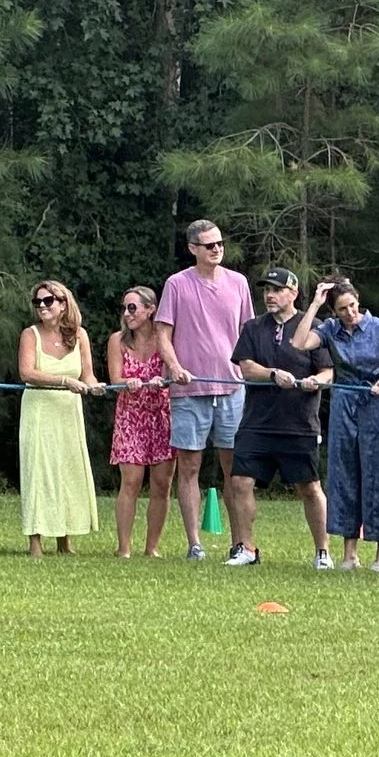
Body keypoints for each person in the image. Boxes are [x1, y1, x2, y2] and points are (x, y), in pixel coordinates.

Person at [156, 220, 252, 561]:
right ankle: (195, 542)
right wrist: (176, 367)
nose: (216, 249)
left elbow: (247, 334)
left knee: (235, 468)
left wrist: (249, 370)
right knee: (190, 466)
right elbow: (163, 334)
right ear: (193, 248)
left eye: (220, 243)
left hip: (231, 389)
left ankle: (241, 542)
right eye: (209, 245)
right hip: (189, 390)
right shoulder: (177, 284)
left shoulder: (238, 283)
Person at [225, 268, 331, 566]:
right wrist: (272, 374)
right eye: (266, 290)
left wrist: (317, 381)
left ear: (293, 293)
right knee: (241, 482)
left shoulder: (313, 327)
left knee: (309, 487)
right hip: (257, 422)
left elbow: (327, 370)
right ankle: (246, 548)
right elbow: (245, 367)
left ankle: (322, 552)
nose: (269, 295)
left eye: (277, 289)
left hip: (299, 423)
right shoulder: (252, 327)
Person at [294, 275, 379, 572]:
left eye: (352, 306)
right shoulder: (330, 330)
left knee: (378, 476)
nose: (350, 313)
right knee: (344, 475)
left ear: (359, 302)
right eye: (342, 309)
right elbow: (299, 343)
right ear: (335, 311)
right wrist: (315, 303)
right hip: (344, 404)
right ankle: (349, 553)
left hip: (376, 403)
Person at [16, 281, 104, 556]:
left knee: (67, 470)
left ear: (64, 303)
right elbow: (27, 373)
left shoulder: (79, 336)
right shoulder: (30, 335)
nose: (42, 306)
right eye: (38, 302)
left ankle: (64, 540)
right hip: (39, 411)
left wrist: (93, 385)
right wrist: (64, 381)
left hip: (68, 412)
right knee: (38, 470)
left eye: (48, 301)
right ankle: (35, 541)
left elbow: (87, 373)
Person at [106, 284, 175, 559]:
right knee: (131, 482)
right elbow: (115, 380)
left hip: (162, 414)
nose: (127, 313)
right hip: (131, 415)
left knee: (161, 484)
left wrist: (163, 379)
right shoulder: (118, 341)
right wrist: (128, 382)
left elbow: (173, 370)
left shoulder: (165, 338)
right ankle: (124, 548)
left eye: (132, 307)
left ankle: (152, 547)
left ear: (150, 309)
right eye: (124, 308)